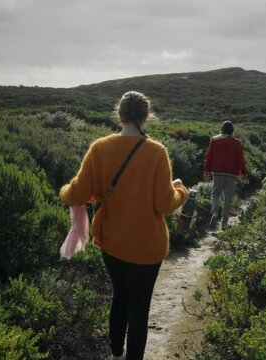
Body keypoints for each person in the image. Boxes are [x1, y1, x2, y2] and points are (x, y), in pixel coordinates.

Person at [59, 91, 188, 360]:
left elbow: (77, 194)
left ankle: (116, 354)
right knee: (139, 310)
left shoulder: (100, 147)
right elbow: (165, 204)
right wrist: (181, 192)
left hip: (112, 244)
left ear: (119, 114)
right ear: (145, 117)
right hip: (148, 248)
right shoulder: (156, 152)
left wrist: (63, 191)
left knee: (120, 297)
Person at [203, 121, 247, 229]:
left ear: (221, 129)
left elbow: (209, 157)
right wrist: (244, 173)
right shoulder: (237, 143)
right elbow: (241, 160)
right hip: (231, 173)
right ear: (232, 130)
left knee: (215, 194)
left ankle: (214, 212)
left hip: (218, 172)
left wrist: (207, 170)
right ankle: (224, 223)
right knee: (228, 198)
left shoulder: (214, 140)